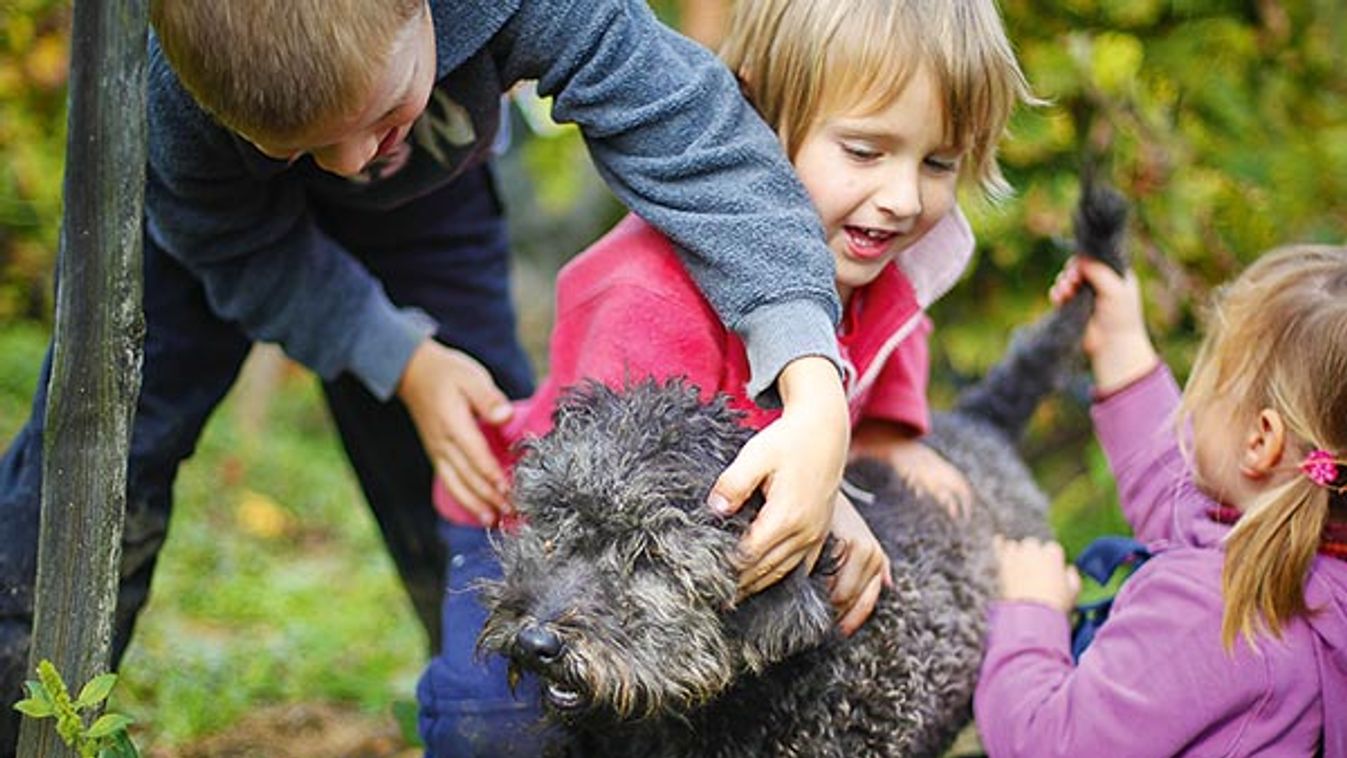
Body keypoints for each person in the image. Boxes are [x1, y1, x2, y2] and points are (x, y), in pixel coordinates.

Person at [0, 0, 863, 752]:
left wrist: (809, 375)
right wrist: (398, 357)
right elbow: (230, 242)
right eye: (297, 146)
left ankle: (502, 713)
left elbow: (688, 136)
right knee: (95, 484)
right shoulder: (176, 103)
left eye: (376, 116)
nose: (346, 164)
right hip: (207, 242)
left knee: (472, 474)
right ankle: (25, 714)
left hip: (429, 214)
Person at [423, 0, 1036, 752]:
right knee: (501, 725)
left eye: (937, 163)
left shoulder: (876, 251)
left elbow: (894, 336)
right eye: (865, 151)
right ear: (758, 121)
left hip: (658, 561)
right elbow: (618, 490)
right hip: (543, 533)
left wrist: (886, 434)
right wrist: (820, 502)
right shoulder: (645, 299)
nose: (903, 197)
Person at [976, 245, 1347, 755]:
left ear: (1261, 441)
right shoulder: (1307, 572)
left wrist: (1030, 612)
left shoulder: (1219, 616)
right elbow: (1189, 508)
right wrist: (1120, 345)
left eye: (1217, 380)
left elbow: (1048, 743)